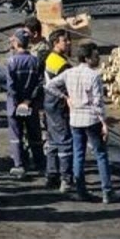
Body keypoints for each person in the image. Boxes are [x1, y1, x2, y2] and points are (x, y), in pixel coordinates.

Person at [45, 42, 114, 204]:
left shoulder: (70, 73)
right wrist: (103, 122)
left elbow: (49, 85)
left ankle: (81, 190)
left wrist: (65, 97)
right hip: (91, 119)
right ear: (88, 58)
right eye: (96, 56)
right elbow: (97, 102)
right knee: (101, 154)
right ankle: (107, 191)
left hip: (75, 119)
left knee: (78, 155)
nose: (98, 58)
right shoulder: (94, 76)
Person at [6, 29, 44, 179]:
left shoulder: (11, 62)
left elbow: (10, 86)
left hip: (15, 106)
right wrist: (28, 101)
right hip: (30, 105)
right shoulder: (35, 61)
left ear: (16, 42)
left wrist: (18, 102)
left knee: (16, 134)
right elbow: (40, 83)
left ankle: (19, 164)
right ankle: (39, 162)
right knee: (34, 133)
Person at [43, 29, 74, 192]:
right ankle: (66, 179)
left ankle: (51, 175)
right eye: (65, 40)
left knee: (52, 141)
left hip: (49, 103)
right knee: (64, 141)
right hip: (58, 104)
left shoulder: (51, 58)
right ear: (56, 43)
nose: (68, 43)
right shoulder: (61, 64)